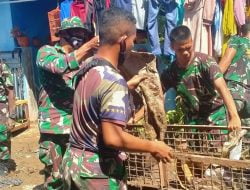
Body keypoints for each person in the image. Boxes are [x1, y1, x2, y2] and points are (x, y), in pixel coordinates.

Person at [62, 8, 173, 190]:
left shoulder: (88, 67)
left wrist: (127, 86)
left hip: (74, 163)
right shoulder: (113, 80)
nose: (132, 47)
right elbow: (113, 138)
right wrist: (153, 146)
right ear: (122, 41)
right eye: (132, 41)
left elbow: (95, 97)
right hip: (96, 174)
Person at [36, 16, 99, 189]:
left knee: (77, 173)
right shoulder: (46, 52)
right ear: (63, 34)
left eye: (82, 34)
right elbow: (59, 66)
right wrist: (88, 47)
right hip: (54, 125)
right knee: (55, 177)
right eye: (75, 33)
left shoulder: (84, 59)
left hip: (78, 126)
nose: (79, 37)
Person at [161, 25, 241, 130]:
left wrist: (234, 116)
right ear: (172, 47)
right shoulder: (170, 71)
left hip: (215, 119)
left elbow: (223, 88)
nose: (185, 53)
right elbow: (155, 94)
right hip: (192, 123)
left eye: (188, 48)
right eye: (180, 49)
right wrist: (135, 119)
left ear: (192, 42)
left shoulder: (206, 62)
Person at [219, 23, 250, 126]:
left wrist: (211, 81)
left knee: (225, 124)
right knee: (245, 134)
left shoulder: (237, 40)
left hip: (235, 91)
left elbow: (226, 61)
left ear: (242, 33)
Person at [0, 60, 15, 175]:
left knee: (2, 137)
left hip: (1, 108)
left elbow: (10, 91)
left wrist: (12, 115)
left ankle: (4, 165)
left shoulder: (2, 65)